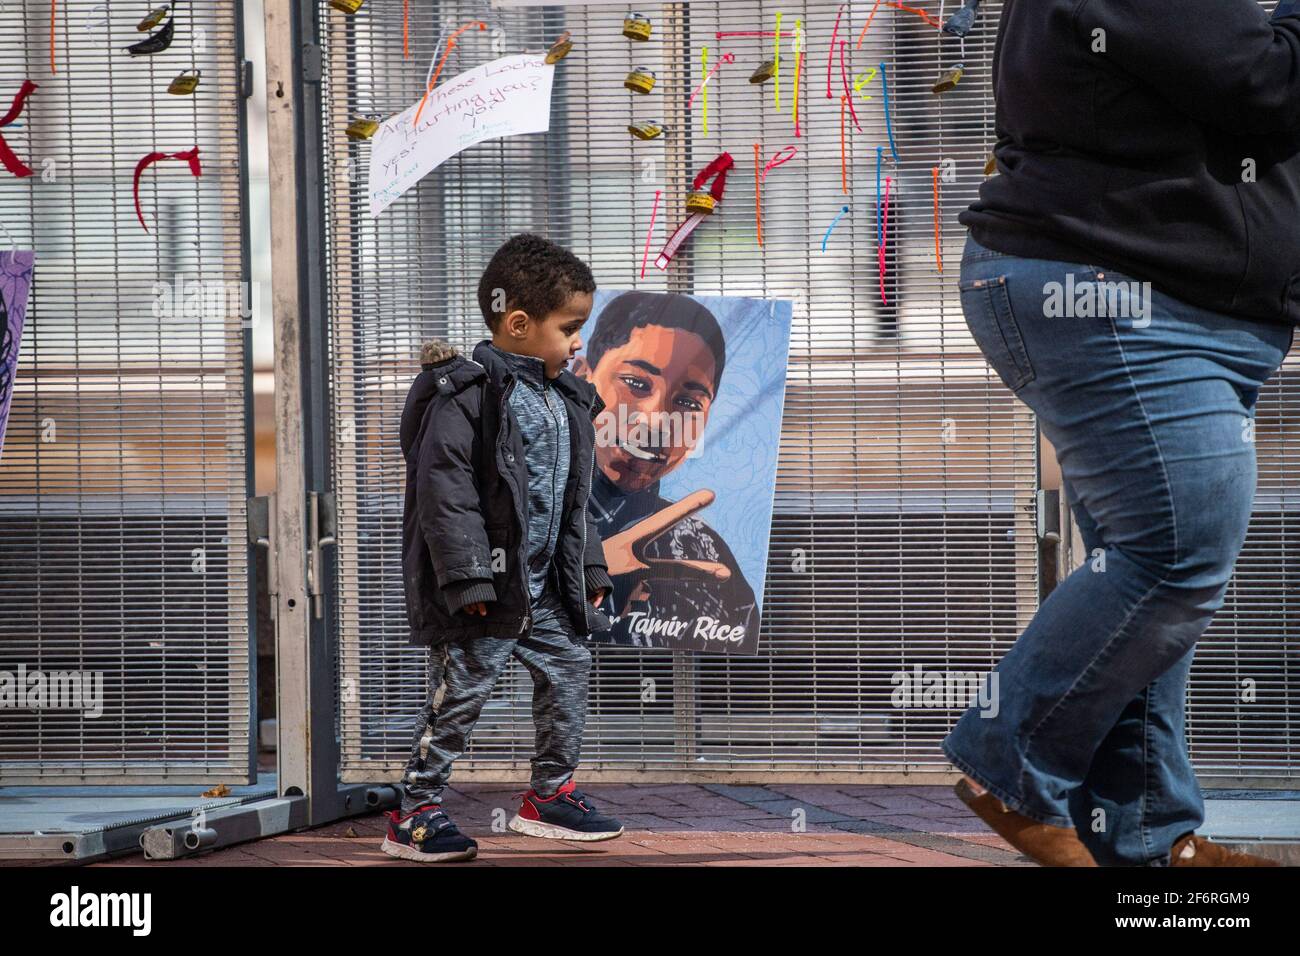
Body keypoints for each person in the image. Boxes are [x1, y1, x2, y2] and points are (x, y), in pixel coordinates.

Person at [943, 0, 1299, 867]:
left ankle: (1144, 835)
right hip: (1118, 298)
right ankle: (1008, 766)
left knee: (1142, 575)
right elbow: (1271, 83)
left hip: (1166, 303)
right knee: (1173, 553)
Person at [382, 233, 624, 862]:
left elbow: (575, 498)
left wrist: (589, 563)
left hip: (546, 591)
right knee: (460, 694)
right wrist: (467, 581)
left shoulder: (565, 396)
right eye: (571, 328)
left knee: (569, 673)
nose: (578, 343)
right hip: (487, 592)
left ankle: (549, 797)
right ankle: (415, 812)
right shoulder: (465, 395)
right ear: (519, 323)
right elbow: (446, 493)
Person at [570, 291, 759, 653]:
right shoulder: (524, 512)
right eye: (637, 383)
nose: (657, 420)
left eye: (688, 402)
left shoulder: (706, 555)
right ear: (581, 378)